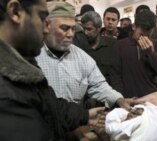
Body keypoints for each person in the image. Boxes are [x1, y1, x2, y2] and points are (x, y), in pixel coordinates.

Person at [0, 0, 105, 140]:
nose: (46, 29)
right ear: (15, 12)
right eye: (43, 18)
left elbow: (49, 105)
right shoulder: (6, 93)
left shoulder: (23, 66)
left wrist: (85, 115)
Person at [36, 2, 131, 109]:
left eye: (73, 29)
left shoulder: (82, 58)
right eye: (64, 28)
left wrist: (119, 99)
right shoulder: (32, 56)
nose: (70, 34)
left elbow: (99, 86)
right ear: (46, 26)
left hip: (74, 124)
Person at [110, 10, 157, 98]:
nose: (145, 38)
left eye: (148, 35)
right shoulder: (120, 45)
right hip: (127, 98)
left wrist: (151, 53)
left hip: (151, 98)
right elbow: (115, 76)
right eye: (141, 34)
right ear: (134, 26)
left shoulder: (156, 44)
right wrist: (120, 98)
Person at [80, 11, 117, 85]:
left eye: (89, 29)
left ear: (99, 28)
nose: (85, 32)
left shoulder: (112, 45)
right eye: (83, 29)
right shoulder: (79, 47)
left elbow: (116, 74)